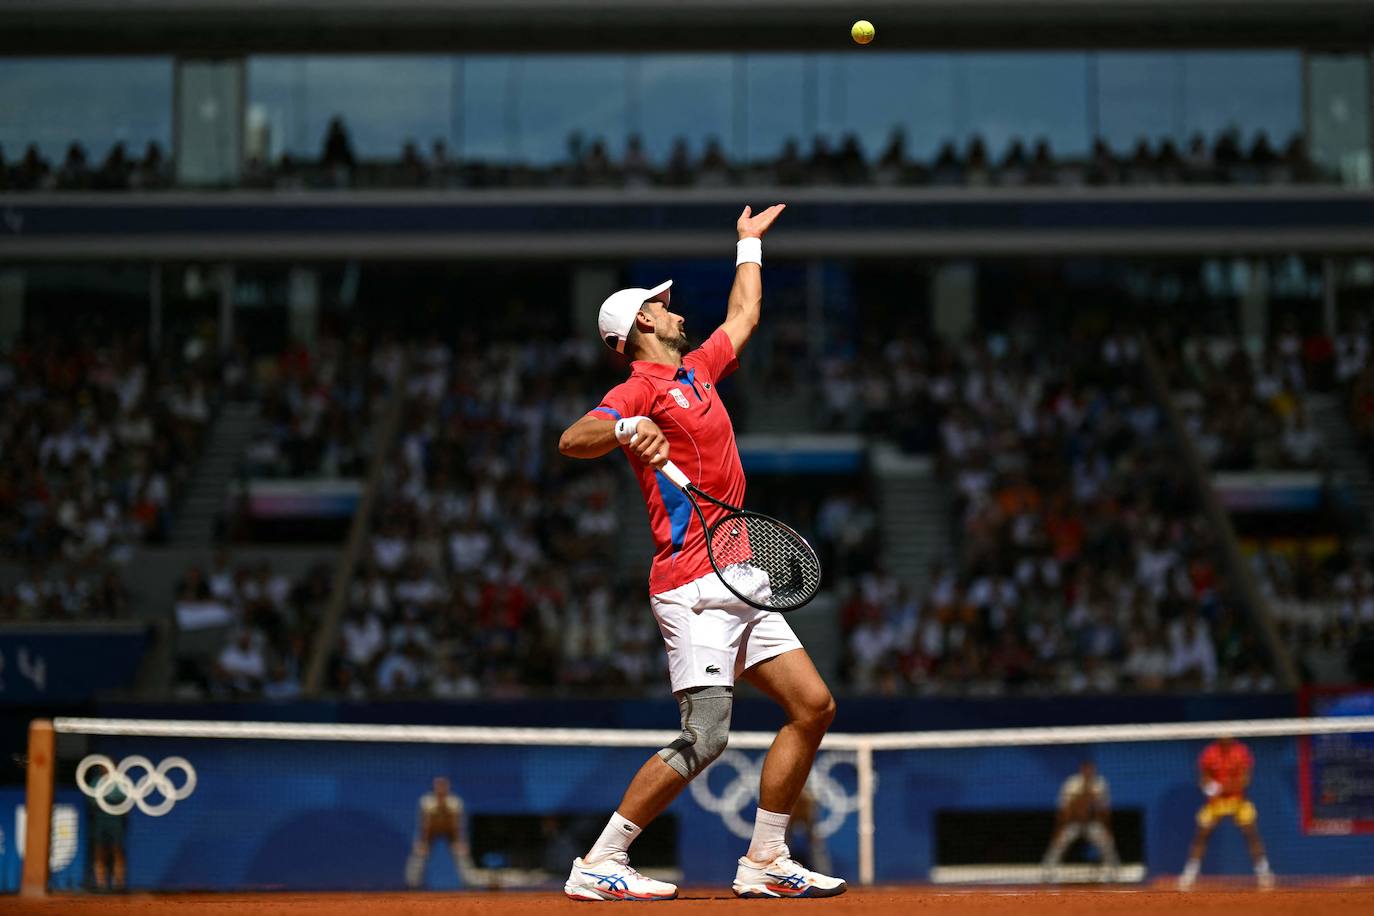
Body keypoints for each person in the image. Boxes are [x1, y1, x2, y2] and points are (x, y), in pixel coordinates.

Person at [557, 203, 845, 901]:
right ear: (643, 324)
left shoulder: (700, 372)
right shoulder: (638, 388)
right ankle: (601, 859)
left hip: (740, 575)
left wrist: (748, 246)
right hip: (691, 582)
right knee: (708, 734)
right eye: (663, 304)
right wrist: (627, 429)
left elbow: (742, 317)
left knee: (813, 707)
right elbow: (572, 440)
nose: (675, 308)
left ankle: (766, 859)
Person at [1178, 736, 1274, 890]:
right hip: (1215, 802)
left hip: (1238, 800)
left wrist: (1223, 787)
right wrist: (1209, 787)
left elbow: (1244, 781)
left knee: (1251, 832)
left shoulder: (1241, 751)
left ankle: (1264, 872)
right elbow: (1203, 779)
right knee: (1202, 833)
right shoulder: (1209, 752)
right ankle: (1189, 874)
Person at [1040, 760, 1120, 883]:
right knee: (1058, 845)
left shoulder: (1100, 783)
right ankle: (1047, 874)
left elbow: (1104, 810)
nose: (1088, 772)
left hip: (1092, 823)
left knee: (1107, 844)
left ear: (1094, 770)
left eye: (1091, 769)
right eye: (1085, 769)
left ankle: (1113, 875)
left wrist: (1107, 829)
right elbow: (1064, 809)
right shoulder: (1072, 783)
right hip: (1073, 823)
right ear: (1081, 770)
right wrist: (1059, 828)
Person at [404, 777, 472, 889]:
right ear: (434, 788)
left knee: (460, 852)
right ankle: (412, 884)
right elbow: (425, 825)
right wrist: (423, 842)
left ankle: (469, 882)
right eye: (438, 786)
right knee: (420, 852)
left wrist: (459, 842)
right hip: (430, 831)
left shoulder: (455, 802)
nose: (441, 789)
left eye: (443, 786)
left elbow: (456, 825)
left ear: (448, 788)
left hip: (450, 831)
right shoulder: (426, 801)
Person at [85, 760, 128, 892]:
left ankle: (118, 884)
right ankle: (100, 883)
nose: (105, 768)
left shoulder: (121, 782)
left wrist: (107, 801)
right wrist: (105, 802)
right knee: (99, 851)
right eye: (103, 766)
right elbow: (91, 800)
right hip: (100, 820)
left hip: (116, 820)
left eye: (108, 765)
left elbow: (124, 798)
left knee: (117, 850)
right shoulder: (96, 782)